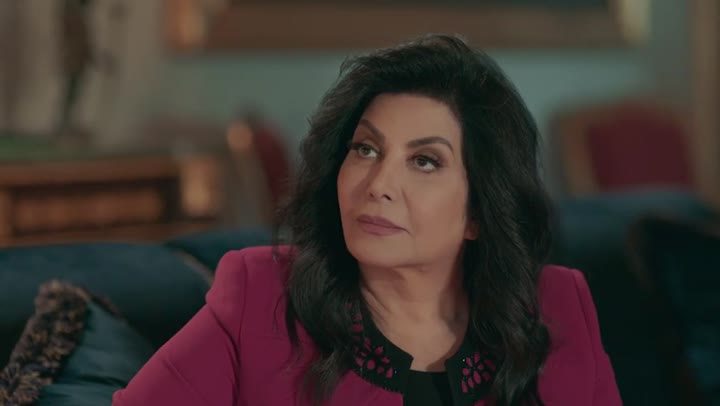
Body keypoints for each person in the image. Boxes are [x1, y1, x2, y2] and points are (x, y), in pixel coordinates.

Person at [113, 34, 621, 406]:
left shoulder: (559, 308)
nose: (378, 184)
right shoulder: (260, 297)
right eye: (366, 149)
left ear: (479, 213)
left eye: (425, 161)